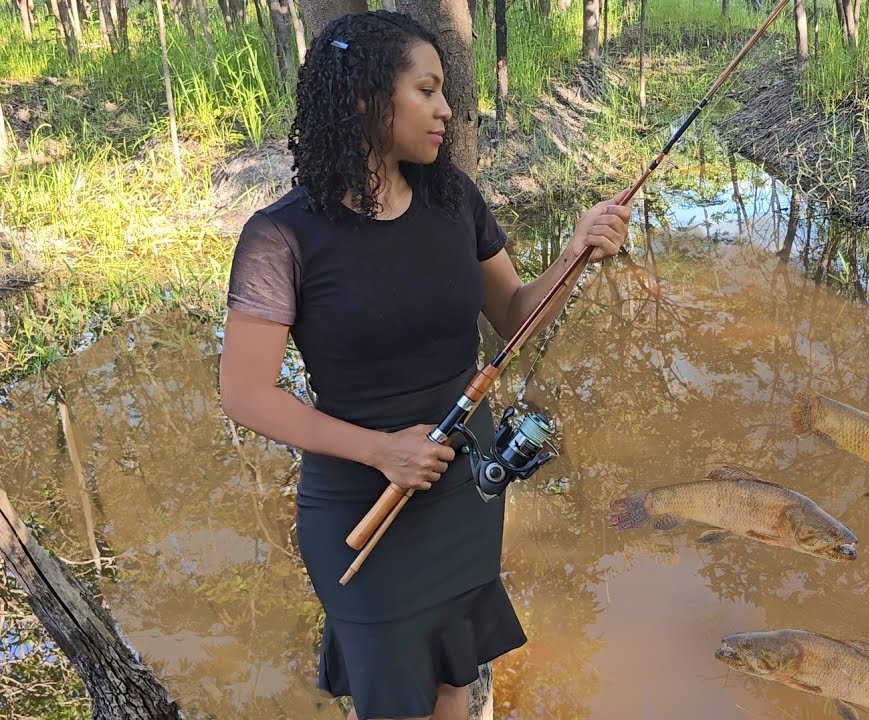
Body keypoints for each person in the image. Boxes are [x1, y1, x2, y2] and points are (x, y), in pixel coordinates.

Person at [217, 10, 631, 720]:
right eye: (428, 90)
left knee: (452, 680)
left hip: (461, 490)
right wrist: (382, 451)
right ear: (363, 98)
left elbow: (513, 317)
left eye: (445, 92)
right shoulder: (282, 236)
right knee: (392, 697)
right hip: (358, 501)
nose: (447, 108)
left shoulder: (453, 201)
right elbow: (246, 394)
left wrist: (573, 254)